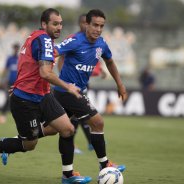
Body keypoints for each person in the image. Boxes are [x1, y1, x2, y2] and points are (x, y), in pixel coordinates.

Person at [0, 8, 91, 184]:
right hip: (25, 101)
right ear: (44, 24)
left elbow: (26, 64)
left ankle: (68, 175)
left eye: (61, 24)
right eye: (55, 23)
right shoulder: (43, 39)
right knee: (29, 145)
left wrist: (20, 82)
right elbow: (44, 73)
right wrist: (68, 87)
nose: (59, 27)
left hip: (43, 95)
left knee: (67, 129)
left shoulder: (34, 37)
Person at [52, 9, 128, 181]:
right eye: (95, 25)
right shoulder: (75, 40)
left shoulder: (101, 44)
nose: (98, 29)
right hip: (67, 92)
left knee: (56, 130)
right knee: (97, 122)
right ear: (86, 24)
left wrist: (120, 84)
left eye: (101, 26)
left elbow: (109, 61)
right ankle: (105, 164)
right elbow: (53, 53)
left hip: (75, 92)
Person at [58, 13, 106, 154]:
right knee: (84, 116)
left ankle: (20, 141)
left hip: (83, 84)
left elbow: (93, 60)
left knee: (70, 119)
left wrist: (100, 71)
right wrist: (64, 80)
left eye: (100, 26)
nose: (87, 26)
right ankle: (93, 144)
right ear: (82, 24)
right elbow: (61, 57)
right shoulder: (73, 39)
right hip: (69, 88)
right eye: (85, 23)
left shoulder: (96, 42)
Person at [0, 43, 20, 124]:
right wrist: (1, 79)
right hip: (10, 83)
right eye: (15, 48)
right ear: (13, 49)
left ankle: (18, 116)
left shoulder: (20, 59)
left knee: (17, 100)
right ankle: (2, 115)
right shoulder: (9, 59)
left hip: (18, 84)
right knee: (8, 99)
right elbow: (5, 70)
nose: (16, 50)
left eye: (17, 48)